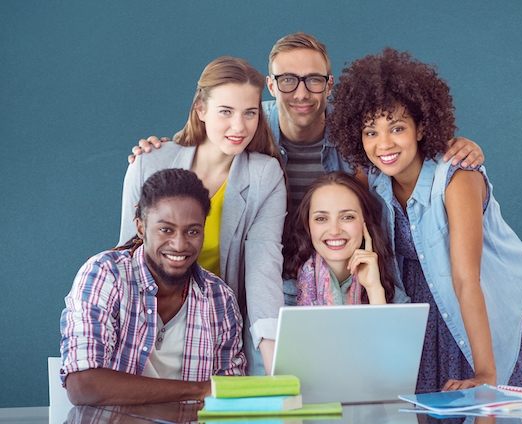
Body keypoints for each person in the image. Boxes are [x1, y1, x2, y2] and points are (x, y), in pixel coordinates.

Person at [129, 33, 485, 306]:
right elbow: (212, 130)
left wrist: (449, 146)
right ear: (270, 85)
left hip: (344, 277)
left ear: (329, 85)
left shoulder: (352, 135)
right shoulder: (249, 123)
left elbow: (397, 141)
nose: (301, 92)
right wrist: (158, 152)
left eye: (314, 80)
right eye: (287, 80)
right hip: (264, 280)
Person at [328, 47, 522, 393]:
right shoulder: (372, 177)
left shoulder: (457, 178)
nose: (383, 144)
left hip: (473, 307)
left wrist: (486, 373)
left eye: (396, 128)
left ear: (422, 126)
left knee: (480, 404)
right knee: (421, 409)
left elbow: (466, 277)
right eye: (371, 132)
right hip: (416, 311)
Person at [119, 56, 286, 376]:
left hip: (216, 336)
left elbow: (263, 270)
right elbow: (128, 255)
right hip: (150, 330)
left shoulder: (265, 176)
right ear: (201, 109)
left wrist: (277, 372)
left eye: (250, 113)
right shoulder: (148, 163)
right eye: (226, 111)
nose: (240, 126)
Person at [60, 169, 246, 405]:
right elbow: (83, 386)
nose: (179, 245)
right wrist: (199, 390)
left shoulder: (220, 298)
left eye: (192, 231)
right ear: (141, 227)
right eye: (166, 229)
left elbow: (232, 397)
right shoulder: (105, 275)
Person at [284, 171, 403, 305]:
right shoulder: (283, 294)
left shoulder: (394, 297)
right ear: (308, 226)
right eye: (321, 218)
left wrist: (374, 289)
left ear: (366, 222)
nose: (334, 230)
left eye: (347, 217)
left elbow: (390, 326)